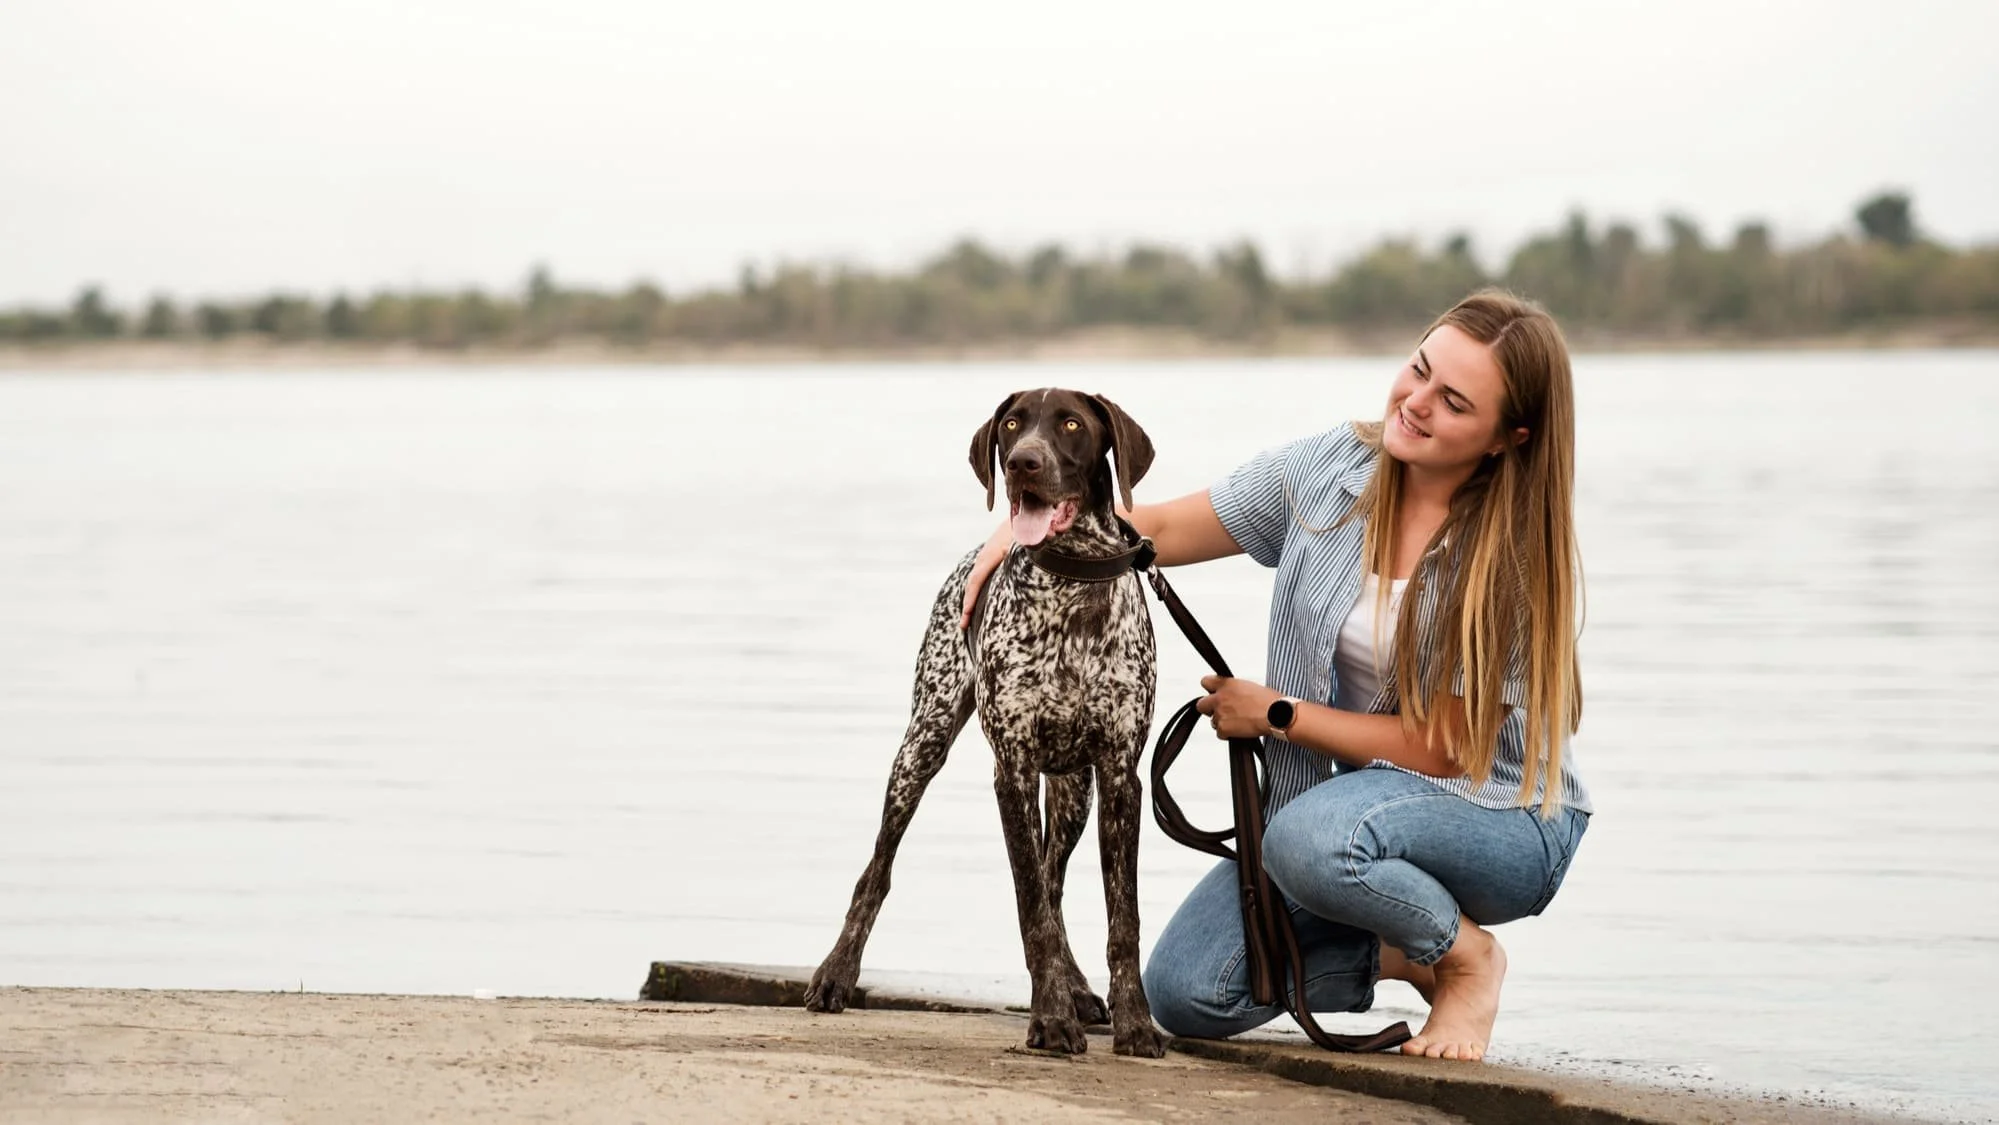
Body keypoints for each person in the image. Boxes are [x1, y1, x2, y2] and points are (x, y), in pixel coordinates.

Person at [958, 289, 1591, 1061]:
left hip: (1499, 815)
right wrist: (1025, 527)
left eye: (1452, 401)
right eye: (1417, 370)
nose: (1415, 402)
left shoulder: (1514, 554)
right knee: (1187, 990)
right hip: (1342, 817)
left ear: (1506, 436)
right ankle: (1398, 949)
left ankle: (1466, 958)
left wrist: (1277, 715)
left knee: (1306, 836)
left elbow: (1446, 748)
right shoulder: (1327, 469)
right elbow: (1157, 526)